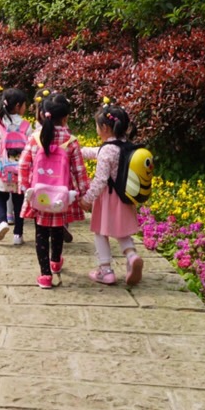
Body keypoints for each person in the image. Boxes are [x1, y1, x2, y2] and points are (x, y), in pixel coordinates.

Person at [18, 93, 89, 289]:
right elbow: (79, 171)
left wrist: (25, 189)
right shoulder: (71, 141)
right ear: (65, 118)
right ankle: (55, 262)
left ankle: (45, 276)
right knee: (58, 228)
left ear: (42, 115)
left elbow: (23, 166)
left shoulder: (35, 139)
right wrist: (83, 193)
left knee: (41, 233)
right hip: (61, 196)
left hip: (38, 195)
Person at [80, 102, 144, 287]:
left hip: (108, 199)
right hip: (125, 198)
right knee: (122, 232)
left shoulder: (107, 150)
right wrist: (78, 150)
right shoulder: (126, 146)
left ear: (105, 128)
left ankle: (105, 271)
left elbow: (100, 180)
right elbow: (96, 152)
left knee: (101, 233)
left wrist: (87, 199)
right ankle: (132, 256)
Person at [0, 89, 31, 247]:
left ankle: (2, 222)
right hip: (20, 170)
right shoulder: (26, 125)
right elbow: (30, 150)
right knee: (19, 201)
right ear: (19, 106)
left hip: (2, 169)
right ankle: (18, 234)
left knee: (1, 197)